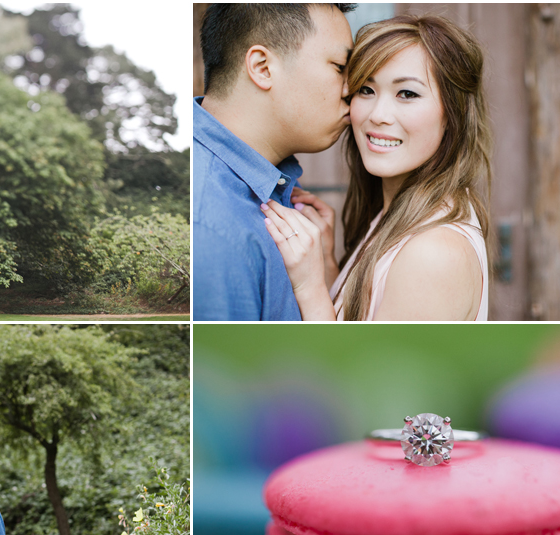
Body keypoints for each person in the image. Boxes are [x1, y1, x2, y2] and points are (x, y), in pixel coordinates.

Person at [263, 15, 491, 321]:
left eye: (407, 94)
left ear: (453, 113)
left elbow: (358, 371)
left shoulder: (433, 252)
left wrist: (309, 285)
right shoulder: (398, 216)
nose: (378, 115)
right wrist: (330, 266)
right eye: (366, 90)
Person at [193, 3, 356, 320]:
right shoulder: (210, 230)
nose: (351, 90)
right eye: (339, 67)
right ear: (263, 67)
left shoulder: (270, 188)